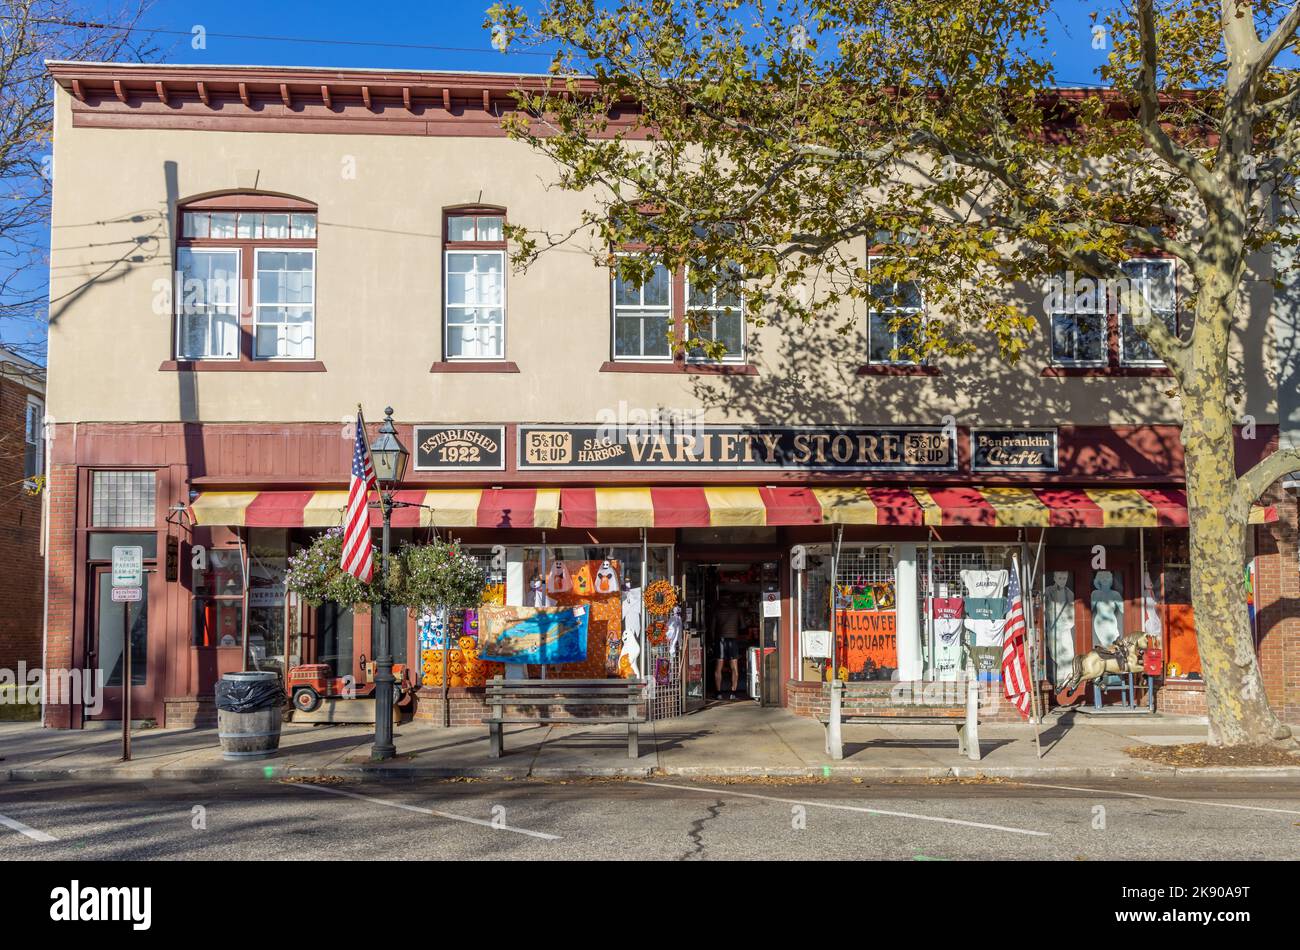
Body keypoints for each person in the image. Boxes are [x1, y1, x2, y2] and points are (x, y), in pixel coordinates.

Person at [712, 594, 745, 699]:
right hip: (733, 639)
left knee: (719, 667)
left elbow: (712, 628)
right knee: (734, 667)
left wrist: (713, 641)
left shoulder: (717, 611)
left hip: (720, 640)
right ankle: (733, 693)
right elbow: (743, 626)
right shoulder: (737, 610)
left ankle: (718, 693)